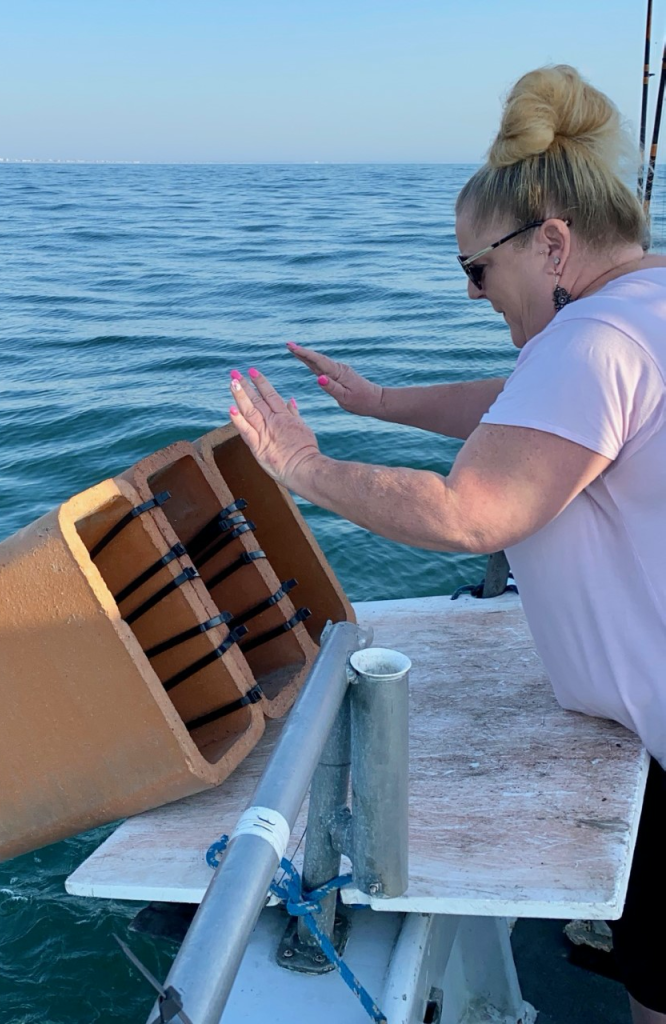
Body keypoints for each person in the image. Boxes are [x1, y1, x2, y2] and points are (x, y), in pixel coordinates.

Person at [226, 65, 666, 1024]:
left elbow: (471, 514)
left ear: (552, 244)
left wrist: (301, 465)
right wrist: (379, 403)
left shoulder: (594, 343)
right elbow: (524, 410)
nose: (473, 294)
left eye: (477, 269)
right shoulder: (642, 310)